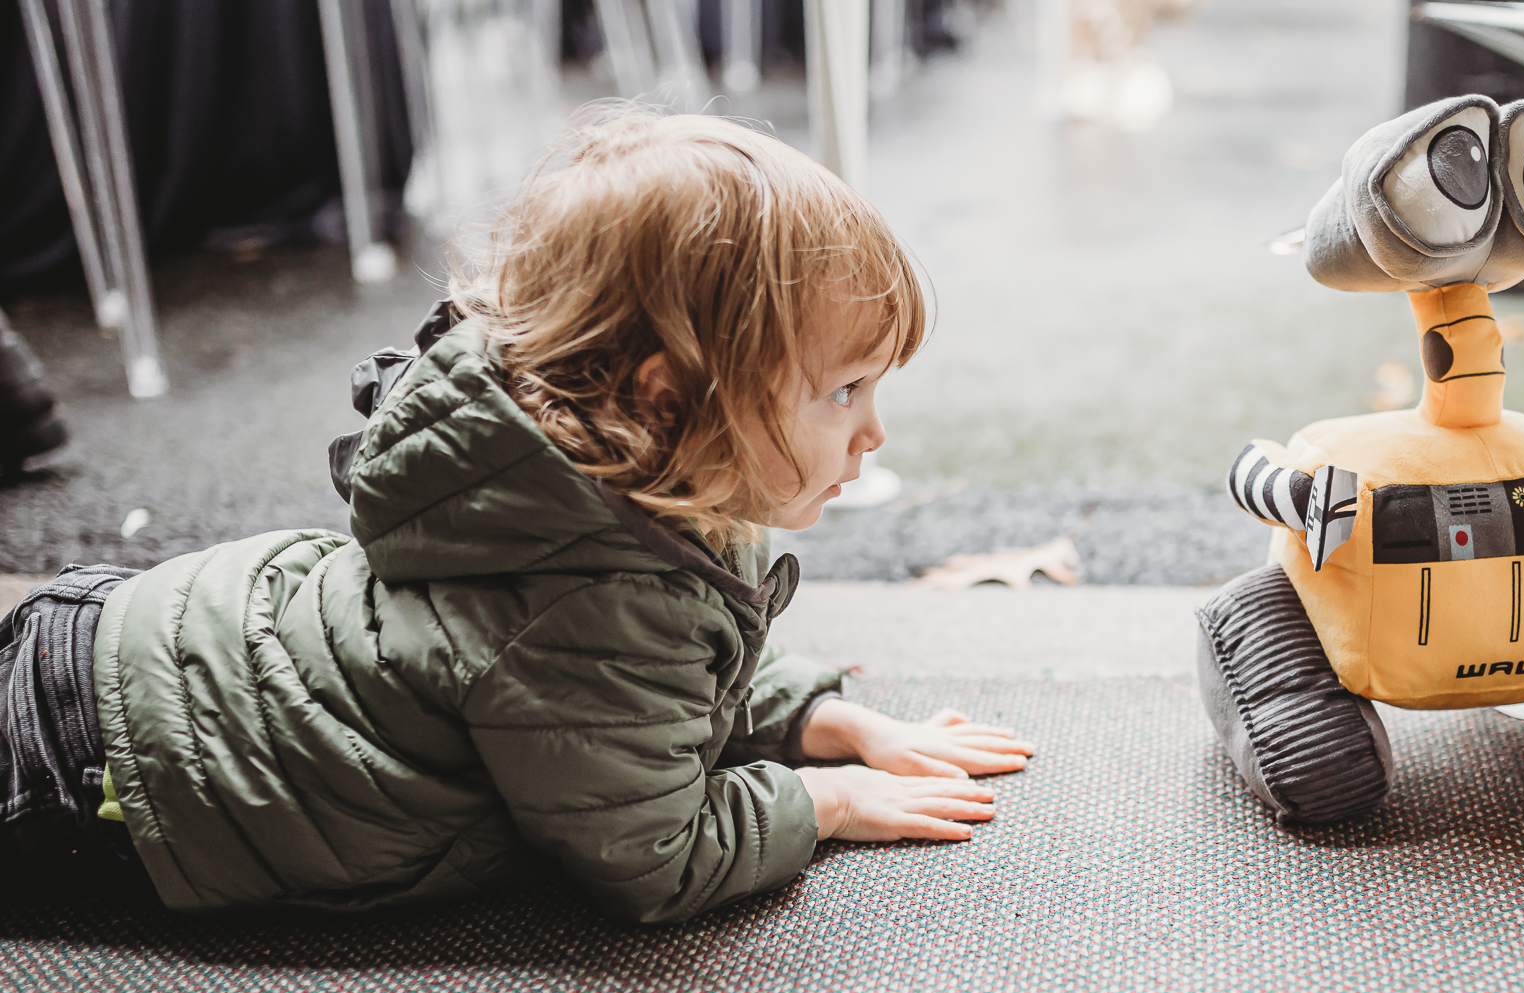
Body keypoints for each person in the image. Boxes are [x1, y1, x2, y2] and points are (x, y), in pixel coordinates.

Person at [0, 113, 1032, 921]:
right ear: (670, 399)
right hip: (104, 775)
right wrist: (826, 801)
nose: (873, 433)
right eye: (843, 391)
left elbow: (656, 686)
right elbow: (654, 854)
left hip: (125, 649)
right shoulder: (589, 598)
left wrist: (822, 721)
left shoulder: (603, 488)